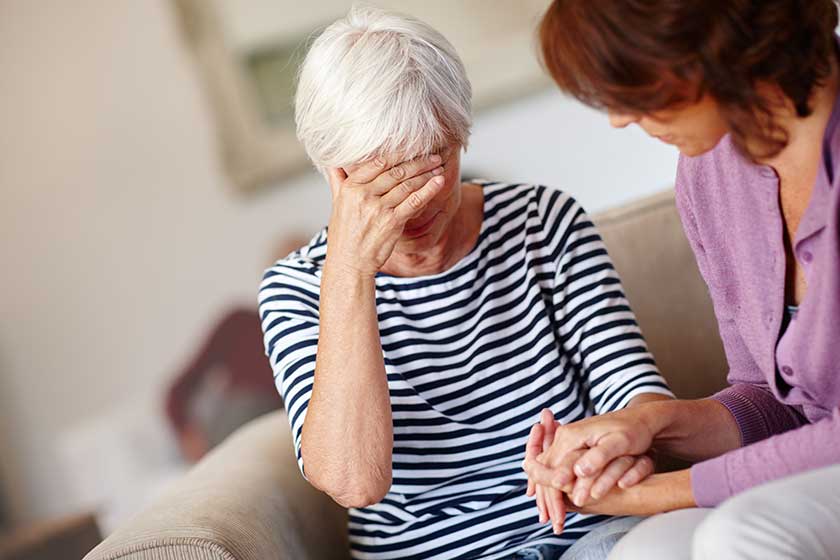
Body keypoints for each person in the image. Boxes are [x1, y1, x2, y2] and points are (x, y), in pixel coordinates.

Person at [258, 7, 672, 559]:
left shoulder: (544, 223)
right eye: (388, 182)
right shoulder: (297, 290)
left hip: (589, 533)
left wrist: (620, 443)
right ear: (336, 172)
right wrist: (351, 274)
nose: (419, 201)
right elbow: (356, 482)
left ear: (461, 137)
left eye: (432, 164)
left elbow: (634, 391)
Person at [524, 2, 840, 558]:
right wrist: (652, 424)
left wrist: (659, 494)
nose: (619, 119)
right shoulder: (709, 174)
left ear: (711, 45)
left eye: (634, 84)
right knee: (644, 553)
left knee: (740, 535)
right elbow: (776, 400)